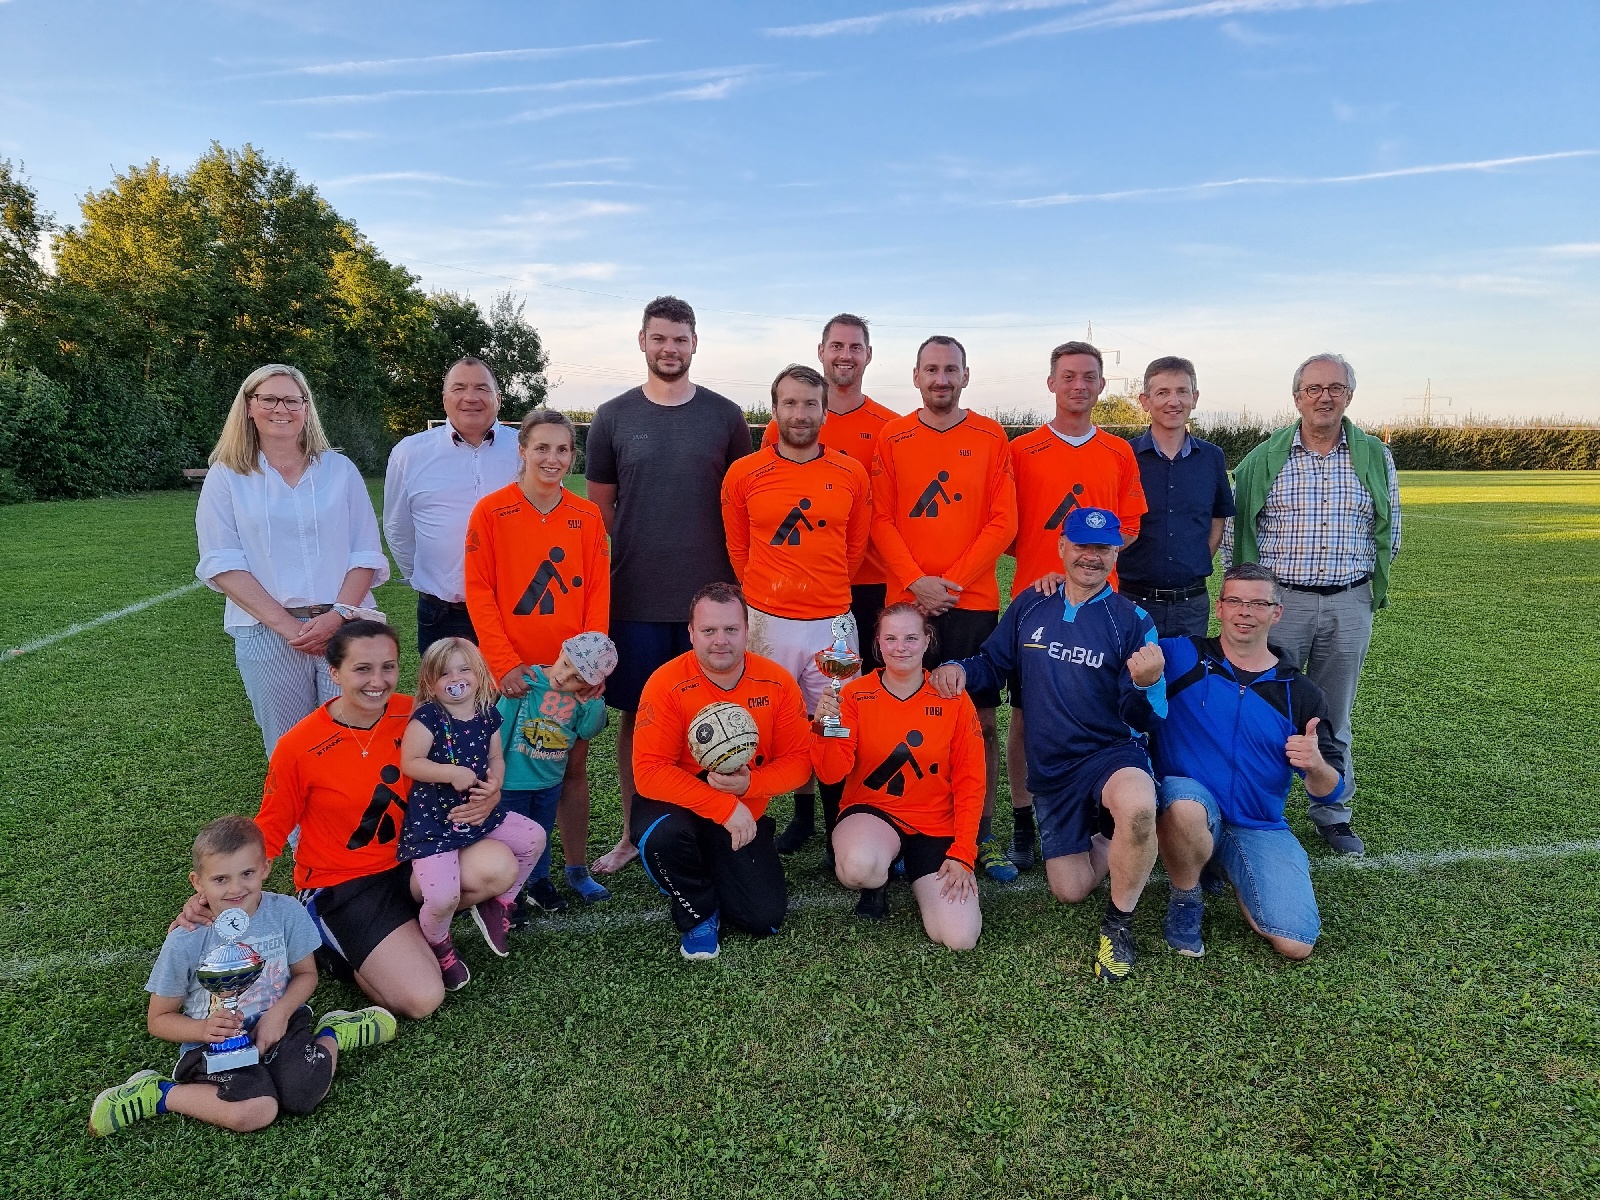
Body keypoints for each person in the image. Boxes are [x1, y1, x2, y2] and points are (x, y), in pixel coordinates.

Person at [174, 621, 519, 1020]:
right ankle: (332, 941)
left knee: (498, 865)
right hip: (345, 883)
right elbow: (270, 825)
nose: (378, 681)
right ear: (334, 672)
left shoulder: (421, 715)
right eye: (362, 669)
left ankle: (407, 932)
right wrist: (215, 893)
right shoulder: (299, 746)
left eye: (388, 667)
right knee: (422, 999)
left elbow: (475, 758)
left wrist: (491, 788)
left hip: (418, 856)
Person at [931, 508, 1166, 983]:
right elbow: (993, 663)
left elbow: (1150, 719)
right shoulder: (1030, 604)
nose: (1090, 557)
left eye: (1102, 548)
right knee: (1070, 888)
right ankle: (1115, 840)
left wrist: (1145, 683)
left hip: (1111, 754)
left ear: (1116, 553)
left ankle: (1119, 925)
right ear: (1062, 548)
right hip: (1053, 767)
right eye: (1081, 545)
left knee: (1139, 807)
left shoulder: (1132, 620)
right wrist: (959, 668)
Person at [89, 816, 397, 1136]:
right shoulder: (187, 937)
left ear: (265, 868)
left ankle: (332, 1033)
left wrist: (279, 1013)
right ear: (198, 882)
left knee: (303, 1094)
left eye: (247, 873)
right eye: (220, 879)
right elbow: (159, 1018)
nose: (236, 888)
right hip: (213, 1045)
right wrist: (204, 1028)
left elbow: (306, 974)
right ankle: (158, 1093)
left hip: (281, 1024)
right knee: (256, 1111)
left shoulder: (287, 912)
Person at [585, 296, 753, 876]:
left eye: (680, 339)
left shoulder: (726, 416)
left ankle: (714, 821)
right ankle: (635, 833)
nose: (670, 349)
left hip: (713, 600)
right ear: (642, 341)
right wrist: (647, 545)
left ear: (695, 343)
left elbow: (742, 502)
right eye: (660, 338)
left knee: (716, 712)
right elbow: (603, 506)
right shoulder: (611, 416)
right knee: (641, 717)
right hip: (636, 594)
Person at [1222, 353, 1401, 857]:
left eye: (1335, 387)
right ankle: (1252, 809)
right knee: (1262, 709)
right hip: (1282, 608)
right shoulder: (1262, 459)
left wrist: (1364, 590)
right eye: (1314, 388)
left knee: (1334, 714)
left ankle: (1333, 814)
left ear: (1349, 394)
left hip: (1348, 603)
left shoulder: (1373, 455)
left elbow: (1389, 528)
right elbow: (1237, 536)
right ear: (1297, 396)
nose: (1325, 396)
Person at [871, 335, 1018, 881]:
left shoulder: (990, 436)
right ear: (915, 376)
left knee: (976, 718)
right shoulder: (893, 436)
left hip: (970, 600)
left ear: (965, 375)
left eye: (950, 370)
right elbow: (880, 520)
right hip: (904, 605)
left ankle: (979, 833)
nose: (941, 379)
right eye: (931, 369)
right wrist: (914, 582)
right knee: (902, 718)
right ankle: (903, 826)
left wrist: (947, 585)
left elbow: (1004, 523)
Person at [1004, 341, 1147, 872]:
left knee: (1099, 707)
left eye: (1089, 376)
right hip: (1036, 602)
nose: (1079, 385)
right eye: (1068, 376)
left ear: (1102, 385)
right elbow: (1006, 529)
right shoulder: (1021, 452)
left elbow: (1127, 528)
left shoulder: (1118, 451)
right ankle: (1023, 819)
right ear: (1051, 383)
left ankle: (1094, 811)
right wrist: (1051, 573)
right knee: (1025, 713)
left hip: (1099, 606)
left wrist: (1083, 571)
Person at [1152, 564, 1345, 960]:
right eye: (1235, 601)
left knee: (1295, 943)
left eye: (1258, 603)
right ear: (1218, 608)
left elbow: (1330, 790)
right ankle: (1186, 897)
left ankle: (1221, 862)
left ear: (1277, 613)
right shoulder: (1180, 656)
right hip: (1188, 802)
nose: (1245, 612)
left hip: (1257, 823)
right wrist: (1058, 581)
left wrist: (1316, 765)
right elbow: (1114, 634)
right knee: (1186, 807)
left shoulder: (1301, 691)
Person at [195, 364, 389, 755]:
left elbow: (366, 552)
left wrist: (336, 616)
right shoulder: (227, 475)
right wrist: (289, 627)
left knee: (355, 743)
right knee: (290, 750)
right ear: (249, 406)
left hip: (346, 626)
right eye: (268, 398)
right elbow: (222, 562)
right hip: (267, 632)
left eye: (292, 399)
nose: (280, 408)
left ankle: (355, 818)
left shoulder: (339, 470)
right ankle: (297, 820)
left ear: (306, 407)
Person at [465, 409, 612, 905]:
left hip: (568, 672)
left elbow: (596, 592)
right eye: (542, 448)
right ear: (522, 451)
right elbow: (480, 592)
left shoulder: (586, 515)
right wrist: (503, 663)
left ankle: (572, 867)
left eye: (563, 449)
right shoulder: (491, 511)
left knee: (570, 767)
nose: (553, 458)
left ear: (574, 455)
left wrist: (592, 665)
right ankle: (504, 873)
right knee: (501, 769)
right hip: (511, 672)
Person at [725, 363, 871, 858]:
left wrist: (819, 589)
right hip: (767, 621)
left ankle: (838, 829)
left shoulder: (851, 472)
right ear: (773, 410)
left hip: (832, 625)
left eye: (810, 403)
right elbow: (739, 549)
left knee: (833, 724)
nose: (800, 413)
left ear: (825, 411)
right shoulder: (745, 472)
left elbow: (853, 550)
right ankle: (781, 824)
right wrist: (774, 596)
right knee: (765, 726)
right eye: (790, 403)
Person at [630, 583, 812, 961]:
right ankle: (698, 910)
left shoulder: (777, 682)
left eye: (731, 629)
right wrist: (724, 807)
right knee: (663, 837)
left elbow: (799, 762)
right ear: (691, 633)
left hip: (744, 804)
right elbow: (648, 772)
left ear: (748, 631)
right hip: (679, 802)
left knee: (764, 918)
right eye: (709, 631)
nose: (720, 641)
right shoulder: (665, 682)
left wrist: (753, 784)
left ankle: (716, 865)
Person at [813, 603, 984, 950]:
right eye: (890, 638)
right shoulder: (853, 694)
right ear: (877, 643)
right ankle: (878, 881)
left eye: (910, 637)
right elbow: (831, 774)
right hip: (873, 813)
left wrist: (963, 851)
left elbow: (971, 781)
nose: (900, 647)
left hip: (935, 822)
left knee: (960, 937)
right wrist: (823, 727)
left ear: (926, 640)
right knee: (859, 867)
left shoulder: (952, 698)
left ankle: (918, 868)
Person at [398, 638, 545, 990]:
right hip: (434, 823)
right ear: (430, 682)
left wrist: (495, 783)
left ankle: (502, 905)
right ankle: (438, 944)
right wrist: (450, 772)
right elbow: (410, 762)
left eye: (464, 669)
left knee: (533, 838)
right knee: (442, 896)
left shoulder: (486, 713)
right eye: (445, 673)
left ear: (478, 674)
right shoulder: (428, 717)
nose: (456, 678)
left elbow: (495, 757)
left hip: (478, 813)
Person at [761, 314, 898, 668]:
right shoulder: (783, 427)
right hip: (796, 585)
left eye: (855, 347)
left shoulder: (890, 428)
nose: (845, 355)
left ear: (869, 354)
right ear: (821, 351)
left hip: (871, 580)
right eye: (836, 346)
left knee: (860, 695)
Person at [382, 356, 520, 653]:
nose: (470, 397)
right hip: (443, 613)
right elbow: (397, 529)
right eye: (459, 388)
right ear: (444, 398)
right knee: (446, 699)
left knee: (513, 697)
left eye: (482, 388)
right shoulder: (410, 452)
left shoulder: (526, 449)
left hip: (514, 612)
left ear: (498, 398)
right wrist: (434, 579)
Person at [498, 633, 616, 927]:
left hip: (549, 781)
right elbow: (497, 730)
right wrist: (490, 773)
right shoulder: (527, 682)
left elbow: (588, 731)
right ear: (561, 650)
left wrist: (592, 703)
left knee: (541, 836)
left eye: (577, 678)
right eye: (565, 665)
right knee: (509, 841)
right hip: (512, 783)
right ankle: (507, 895)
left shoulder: (581, 698)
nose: (564, 678)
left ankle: (539, 884)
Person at [1118, 356, 1234, 638]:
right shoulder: (1123, 456)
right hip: (1130, 601)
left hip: (1190, 605)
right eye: (1162, 393)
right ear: (1145, 401)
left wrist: (1194, 560)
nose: (1174, 401)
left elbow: (1218, 517)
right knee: (1130, 680)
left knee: (1187, 681)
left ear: (1194, 398)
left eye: (1182, 391)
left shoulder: (1212, 457)